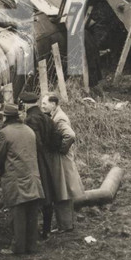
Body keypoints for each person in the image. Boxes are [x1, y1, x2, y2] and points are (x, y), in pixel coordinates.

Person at [0, 103, 43, 256]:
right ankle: (32, 246)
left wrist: (2, 171)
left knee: (18, 214)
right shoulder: (29, 130)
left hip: (15, 178)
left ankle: (18, 247)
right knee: (32, 213)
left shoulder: (4, 133)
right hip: (33, 177)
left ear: (6, 117)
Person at [20, 90, 62, 240]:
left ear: (24, 105)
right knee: (48, 195)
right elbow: (57, 138)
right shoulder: (46, 118)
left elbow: (34, 141)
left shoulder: (30, 119)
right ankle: (47, 229)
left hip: (36, 160)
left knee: (35, 194)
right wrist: (50, 149)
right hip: (47, 159)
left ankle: (33, 231)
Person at [42, 94, 84, 231]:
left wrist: (61, 149)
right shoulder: (56, 115)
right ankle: (66, 224)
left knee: (62, 191)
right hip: (62, 159)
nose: (42, 106)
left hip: (62, 160)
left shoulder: (59, 118)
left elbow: (70, 135)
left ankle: (65, 226)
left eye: (44, 104)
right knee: (62, 191)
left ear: (53, 104)